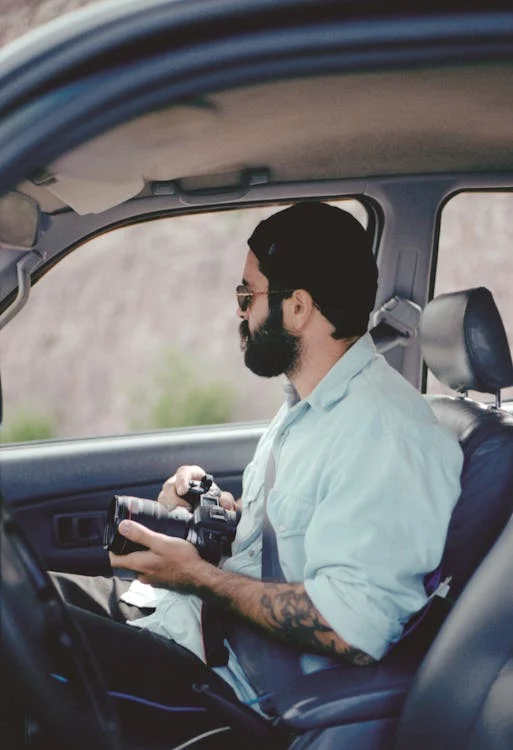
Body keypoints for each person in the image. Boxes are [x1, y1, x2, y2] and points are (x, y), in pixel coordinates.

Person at [51, 202, 463, 744]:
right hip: (190, 628)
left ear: (297, 309)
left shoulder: (384, 433)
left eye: (247, 295)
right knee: (35, 598)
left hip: (230, 691)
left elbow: (354, 624)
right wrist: (220, 511)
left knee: (26, 648)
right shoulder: (311, 409)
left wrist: (196, 575)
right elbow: (301, 533)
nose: (241, 312)